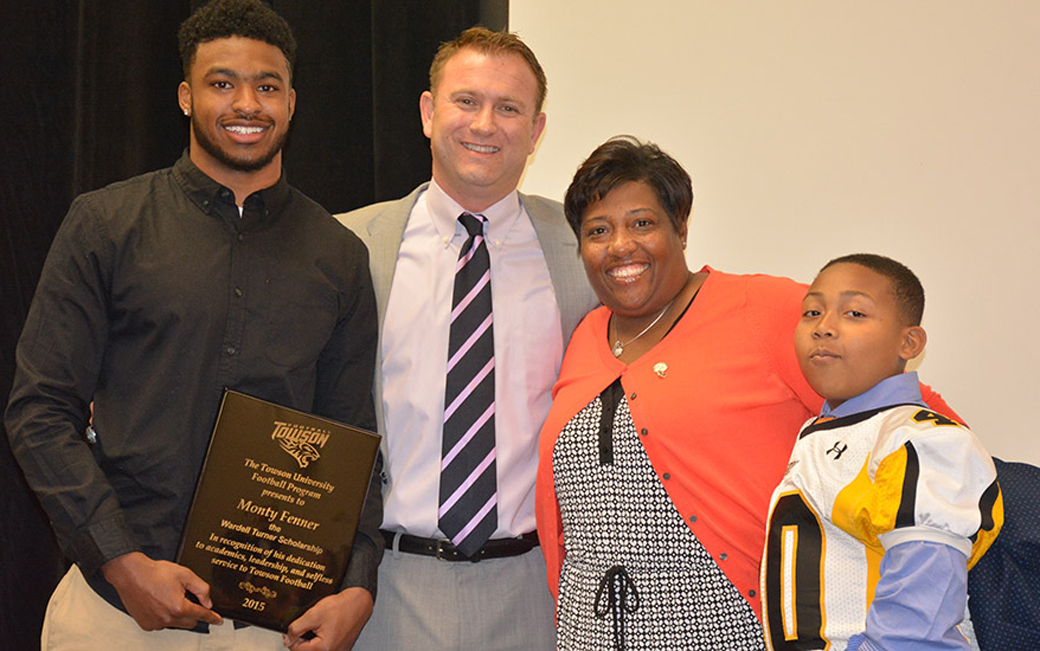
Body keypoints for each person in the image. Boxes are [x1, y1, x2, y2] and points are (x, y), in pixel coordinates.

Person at [5, 1, 381, 649]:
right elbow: (39, 411)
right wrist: (120, 561)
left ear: (291, 102)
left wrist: (359, 581)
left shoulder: (338, 253)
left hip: (267, 623)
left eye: (267, 86)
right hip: (116, 611)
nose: (247, 104)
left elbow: (351, 439)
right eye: (221, 83)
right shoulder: (105, 225)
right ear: (185, 96)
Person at [534, 136, 959, 650]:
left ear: (681, 226)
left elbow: (920, 434)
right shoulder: (584, 336)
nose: (621, 244)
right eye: (598, 231)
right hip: (589, 636)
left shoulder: (760, 311)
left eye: (642, 223)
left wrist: (896, 626)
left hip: (737, 631)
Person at [336, 27, 598, 651]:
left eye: (509, 108)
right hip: (383, 592)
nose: (485, 123)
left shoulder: (583, 250)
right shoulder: (349, 245)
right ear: (429, 113)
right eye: (466, 101)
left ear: (536, 132)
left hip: (535, 592)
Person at [761, 254, 1002, 651]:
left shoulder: (920, 440)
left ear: (909, 342)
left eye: (854, 313)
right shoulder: (820, 432)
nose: (823, 327)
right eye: (812, 312)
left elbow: (916, 626)